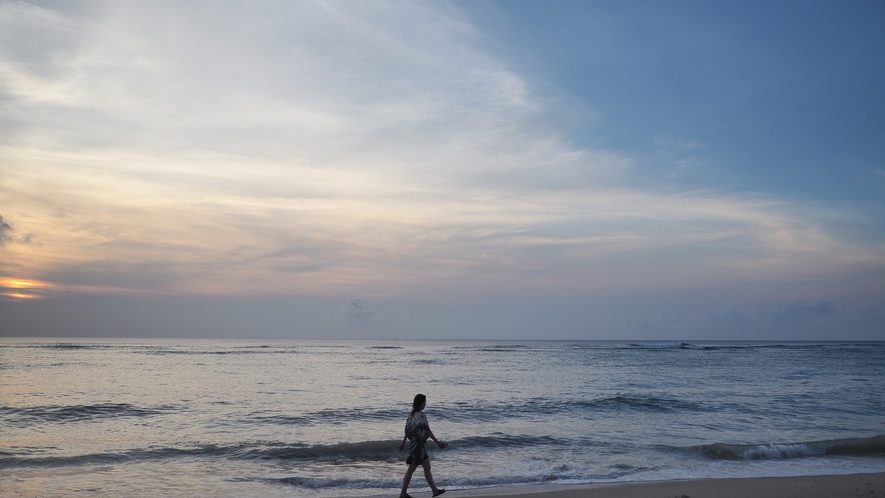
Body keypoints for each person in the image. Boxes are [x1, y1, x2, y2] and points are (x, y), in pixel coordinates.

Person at [398, 393, 447, 498]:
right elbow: (428, 431)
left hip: (415, 445)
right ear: (420, 403)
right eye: (424, 402)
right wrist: (438, 443)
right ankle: (403, 494)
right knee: (411, 469)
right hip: (418, 447)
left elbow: (407, 431)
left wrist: (403, 443)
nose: (425, 404)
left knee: (427, 467)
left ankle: (434, 490)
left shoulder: (411, 415)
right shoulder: (421, 416)